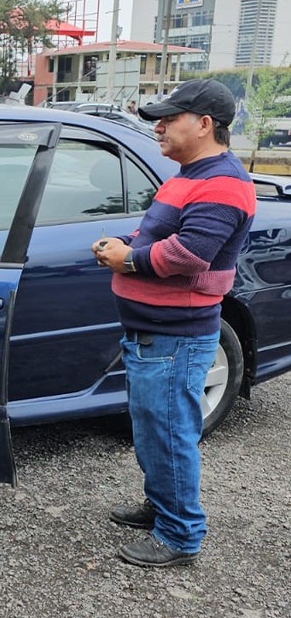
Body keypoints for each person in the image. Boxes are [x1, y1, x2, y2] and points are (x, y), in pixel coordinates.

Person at [91, 78, 255, 567]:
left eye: (169, 119)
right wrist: (123, 243)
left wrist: (128, 260)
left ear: (205, 124)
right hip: (153, 334)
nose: (158, 127)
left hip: (175, 338)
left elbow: (190, 253)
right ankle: (162, 507)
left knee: (168, 433)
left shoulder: (222, 182)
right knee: (152, 429)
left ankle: (181, 534)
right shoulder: (188, 174)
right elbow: (157, 233)